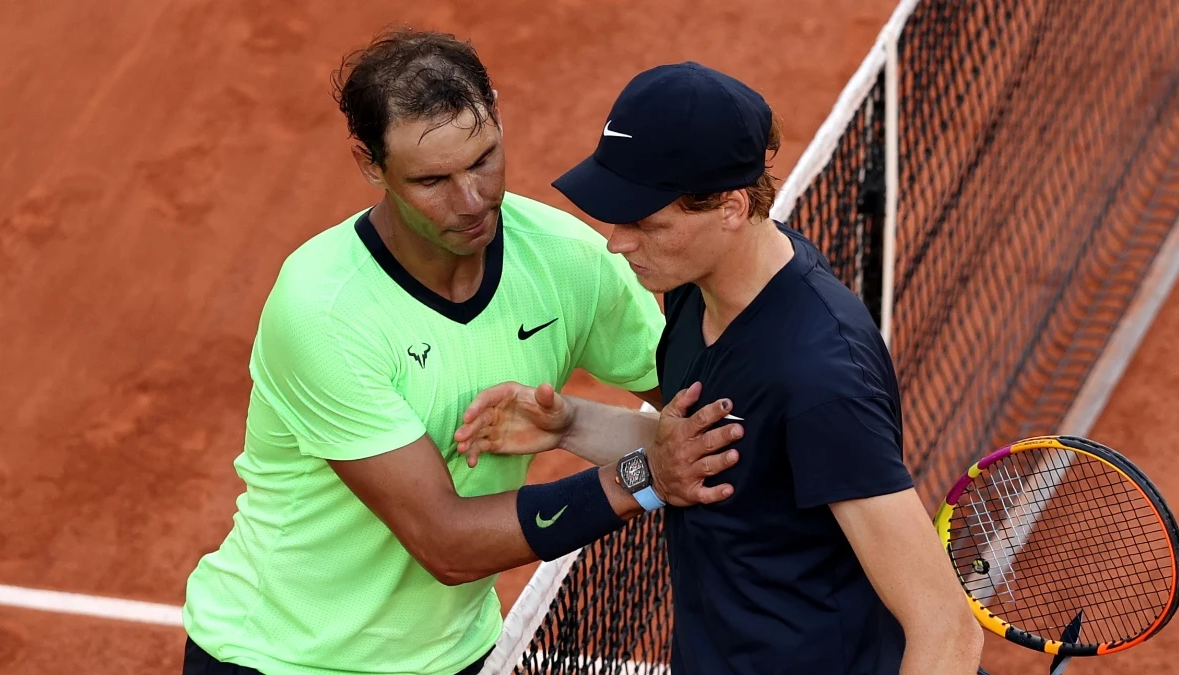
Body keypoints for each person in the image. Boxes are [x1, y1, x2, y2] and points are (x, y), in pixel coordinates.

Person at [180, 32, 741, 675]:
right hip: (280, 659)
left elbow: (710, 411)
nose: (473, 201)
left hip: (457, 657)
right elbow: (444, 542)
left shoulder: (568, 262)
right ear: (369, 164)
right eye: (432, 180)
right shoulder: (324, 311)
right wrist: (642, 478)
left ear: (498, 114)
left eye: (483, 159)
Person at [454, 62, 985, 674]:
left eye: (645, 223)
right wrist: (568, 425)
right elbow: (715, 454)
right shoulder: (695, 288)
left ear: (731, 207)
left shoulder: (821, 376)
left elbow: (944, 628)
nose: (617, 243)